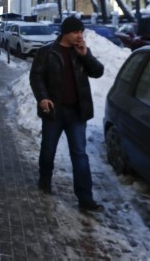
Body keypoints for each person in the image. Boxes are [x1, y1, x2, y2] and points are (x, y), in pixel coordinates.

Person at [29, 16, 105, 212]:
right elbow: (36, 76)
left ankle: (85, 199)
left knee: (80, 155)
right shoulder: (48, 52)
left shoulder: (81, 52)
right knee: (48, 149)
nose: (80, 35)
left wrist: (85, 55)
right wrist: (42, 97)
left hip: (77, 112)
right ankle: (45, 179)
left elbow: (98, 72)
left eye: (81, 32)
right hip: (54, 111)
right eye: (76, 32)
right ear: (65, 33)